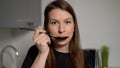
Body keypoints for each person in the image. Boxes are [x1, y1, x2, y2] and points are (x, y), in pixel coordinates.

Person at [22, 0, 95, 68]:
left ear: (74, 27)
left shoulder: (87, 57)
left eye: (67, 22)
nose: (61, 30)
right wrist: (42, 54)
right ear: (47, 28)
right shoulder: (35, 51)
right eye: (54, 23)